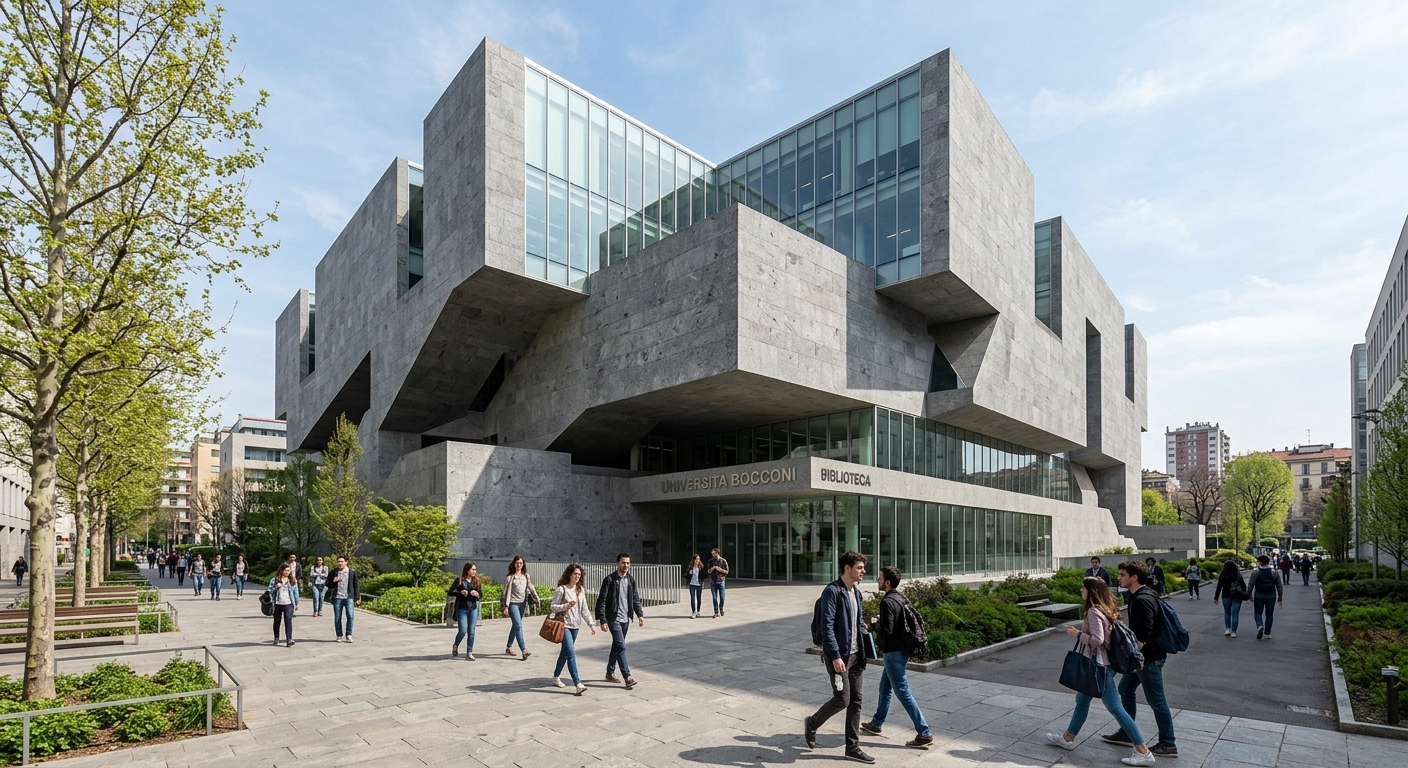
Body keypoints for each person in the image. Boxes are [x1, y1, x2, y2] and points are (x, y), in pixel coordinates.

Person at [1045, 576, 1155, 766]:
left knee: (1115, 708)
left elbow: (1098, 640)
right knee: (1081, 700)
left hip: (1099, 667)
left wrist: (1077, 634)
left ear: (1091, 591)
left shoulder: (1094, 612)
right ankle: (1068, 737)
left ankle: (1143, 751)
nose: (1081, 590)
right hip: (1103, 665)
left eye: (1083, 587)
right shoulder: (1105, 609)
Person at [804, 550, 873, 764]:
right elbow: (826, 627)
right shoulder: (832, 592)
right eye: (860, 567)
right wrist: (835, 655)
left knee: (857, 701)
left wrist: (866, 634)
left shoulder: (856, 593)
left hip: (856, 656)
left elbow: (857, 622)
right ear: (847, 568)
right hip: (840, 657)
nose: (863, 571)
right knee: (842, 699)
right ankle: (812, 723)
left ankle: (852, 747)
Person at [1102, 560, 1176, 758]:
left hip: (1148, 658)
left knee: (1157, 699)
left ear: (1134, 577)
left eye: (1123, 575)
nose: (1119, 578)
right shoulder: (1141, 595)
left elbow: (1143, 635)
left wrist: (1131, 656)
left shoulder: (1142, 599)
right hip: (1145, 657)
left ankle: (1168, 743)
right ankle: (1127, 733)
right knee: (1125, 689)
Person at [860, 566, 933, 750]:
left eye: (880, 578)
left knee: (903, 692)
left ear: (887, 582)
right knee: (885, 687)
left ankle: (924, 732)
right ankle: (876, 723)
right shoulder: (900, 597)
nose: (877, 580)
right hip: (902, 650)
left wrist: (875, 626)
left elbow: (888, 630)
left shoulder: (887, 602)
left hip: (894, 653)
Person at [595, 552, 645, 689]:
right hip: (613, 618)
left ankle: (610, 672)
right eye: (623, 562)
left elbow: (635, 598)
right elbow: (602, 600)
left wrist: (640, 614)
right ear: (617, 563)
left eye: (628, 563)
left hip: (625, 619)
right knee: (621, 646)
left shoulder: (630, 580)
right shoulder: (610, 580)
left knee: (617, 645)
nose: (626, 565)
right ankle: (627, 676)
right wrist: (603, 619)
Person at [550, 563, 596, 694]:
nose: (577, 576)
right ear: (569, 574)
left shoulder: (580, 590)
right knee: (570, 653)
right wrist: (566, 606)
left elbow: (584, 610)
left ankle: (555, 676)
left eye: (579, 574)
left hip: (576, 625)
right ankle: (578, 683)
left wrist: (591, 624)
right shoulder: (561, 589)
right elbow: (553, 607)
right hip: (564, 625)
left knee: (564, 653)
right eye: (575, 574)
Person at [500, 556, 535, 659]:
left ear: (523, 564)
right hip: (513, 604)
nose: (519, 565)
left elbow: (530, 587)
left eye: (520, 563)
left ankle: (509, 646)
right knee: (518, 626)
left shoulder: (526, 576)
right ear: (514, 564)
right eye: (517, 563)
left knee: (516, 625)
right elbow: (504, 593)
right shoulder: (510, 577)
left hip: (522, 603)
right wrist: (505, 606)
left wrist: (536, 598)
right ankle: (524, 650)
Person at [448, 562, 483, 660]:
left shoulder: (476, 581)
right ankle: (456, 645)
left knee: (471, 631)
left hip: (473, 608)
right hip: (462, 608)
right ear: (467, 570)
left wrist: (477, 594)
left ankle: (469, 652)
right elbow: (450, 592)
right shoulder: (459, 580)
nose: (474, 572)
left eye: (475, 570)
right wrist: (460, 593)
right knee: (463, 630)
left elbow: (481, 594)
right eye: (473, 569)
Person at [1250, 555, 1284, 640]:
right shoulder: (1274, 572)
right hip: (1271, 595)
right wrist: (1280, 596)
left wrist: (1249, 594)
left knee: (1258, 613)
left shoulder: (1255, 572)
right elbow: (1279, 585)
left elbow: (1251, 584)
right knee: (1269, 614)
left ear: (1260, 562)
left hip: (1259, 594)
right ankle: (1268, 633)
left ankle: (1260, 626)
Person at [329, 555, 361, 643]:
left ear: (346, 562)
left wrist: (357, 597)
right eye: (338, 561)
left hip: (348, 597)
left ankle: (349, 635)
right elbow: (328, 584)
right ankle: (339, 635)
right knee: (337, 618)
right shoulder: (334, 572)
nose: (340, 563)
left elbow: (356, 585)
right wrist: (333, 581)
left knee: (350, 616)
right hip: (338, 598)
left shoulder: (352, 572)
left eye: (341, 561)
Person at [1212, 560, 1247, 637]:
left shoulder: (1223, 575)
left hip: (1226, 595)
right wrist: (1244, 595)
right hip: (1237, 596)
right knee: (1235, 614)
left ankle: (1227, 629)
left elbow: (1219, 587)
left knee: (1227, 613)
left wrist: (1216, 597)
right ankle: (1234, 632)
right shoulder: (1238, 575)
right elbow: (1243, 586)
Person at [268, 562, 299, 647]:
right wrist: (276, 587)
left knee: (288, 621)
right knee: (277, 621)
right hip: (277, 603)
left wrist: (296, 603)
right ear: (281, 570)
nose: (287, 572)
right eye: (285, 570)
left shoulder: (292, 580)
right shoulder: (275, 580)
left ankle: (289, 639)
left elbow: (296, 592)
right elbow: (269, 591)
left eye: (289, 570)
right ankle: (276, 637)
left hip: (288, 603)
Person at [707, 547, 729, 617]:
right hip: (713, 581)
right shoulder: (711, 561)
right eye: (712, 553)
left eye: (714, 553)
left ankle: (721, 608)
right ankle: (716, 611)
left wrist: (720, 569)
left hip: (721, 581)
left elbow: (727, 571)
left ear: (717, 553)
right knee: (714, 597)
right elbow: (708, 571)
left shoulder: (723, 561)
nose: (713, 555)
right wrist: (712, 569)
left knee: (722, 597)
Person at [686, 554, 704, 619]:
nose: (697, 560)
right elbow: (686, 576)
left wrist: (702, 582)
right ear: (693, 560)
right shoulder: (691, 567)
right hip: (692, 584)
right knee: (693, 598)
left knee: (699, 598)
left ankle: (698, 611)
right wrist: (689, 573)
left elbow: (703, 576)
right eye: (696, 559)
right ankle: (693, 611)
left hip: (699, 584)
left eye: (698, 559)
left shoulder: (701, 567)